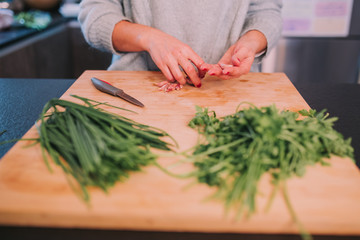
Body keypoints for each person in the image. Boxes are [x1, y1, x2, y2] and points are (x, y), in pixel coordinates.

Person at [78, 0, 282, 90]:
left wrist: (251, 42)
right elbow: (94, 15)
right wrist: (150, 39)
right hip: (136, 86)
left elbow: (267, 11)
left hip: (232, 89)